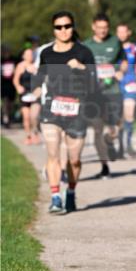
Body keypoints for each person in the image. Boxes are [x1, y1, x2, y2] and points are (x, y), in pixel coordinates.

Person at [32, 11, 99, 214]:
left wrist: (81, 68)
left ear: (73, 27)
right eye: (59, 27)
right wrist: (35, 88)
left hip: (77, 109)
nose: (63, 30)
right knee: (53, 154)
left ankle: (70, 191)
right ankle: (55, 197)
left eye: (67, 26)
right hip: (52, 108)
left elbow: (93, 82)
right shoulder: (46, 53)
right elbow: (40, 76)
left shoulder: (84, 52)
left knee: (74, 159)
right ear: (53, 30)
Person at [84, 14, 127, 178]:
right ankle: (104, 166)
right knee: (97, 129)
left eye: (105, 28)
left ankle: (110, 142)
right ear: (93, 27)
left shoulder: (115, 42)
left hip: (113, 91)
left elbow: (123, 60)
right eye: (99, 27)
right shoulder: (86, 45)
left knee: (115, 128)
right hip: (94, 93)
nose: (102, 31)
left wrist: (121, 71)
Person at [116, 23, 136, 157]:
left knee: (129, 115)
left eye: (123, 32)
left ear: (128, 33)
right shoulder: (113, 48)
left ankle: (129, 144)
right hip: (116, 85)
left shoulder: (135, 49)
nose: (121, 35)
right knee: (119, 118)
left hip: (131, 84)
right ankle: (119, 146)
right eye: (118, 32)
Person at [13, 47, 40, 143]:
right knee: (26, 117)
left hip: (35, 94)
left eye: (31, 54)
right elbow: (15, 80)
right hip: (24, 94)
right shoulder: (20, 66)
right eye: (27, 54)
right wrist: (18, 87)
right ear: (23, 56)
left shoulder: (36, 66)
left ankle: (35, 133)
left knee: (34, 116)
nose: (30, 56)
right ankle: (28, 136)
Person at [1, 45, 17, 128]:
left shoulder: (14, 60)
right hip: (3, 85)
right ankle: (5, 118)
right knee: (5, 102)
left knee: (11, 104)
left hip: (12, 85)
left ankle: (9, 117)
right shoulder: (1, 60)